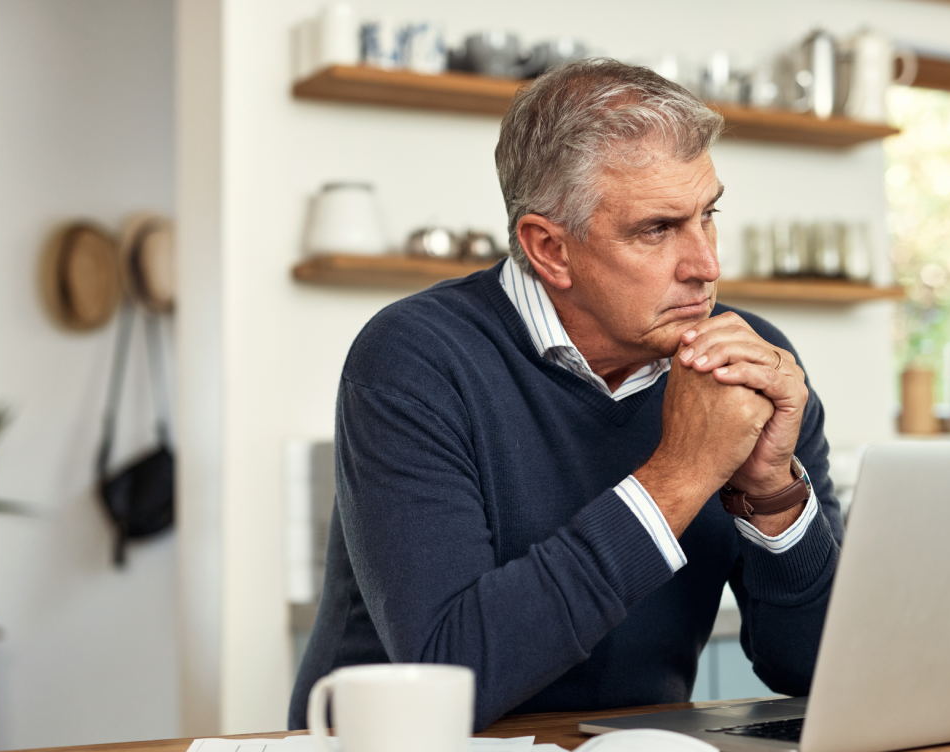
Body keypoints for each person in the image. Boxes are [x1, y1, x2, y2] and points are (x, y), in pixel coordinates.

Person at [289, 59, 842, 732]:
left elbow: (816, 673)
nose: (706, 265)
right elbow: (450, 674)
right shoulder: (414, 358)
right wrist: (682, 475)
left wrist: (774, 496)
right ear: (549, 249)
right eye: (657, 229)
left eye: (708, 215)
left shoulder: (751, 362)